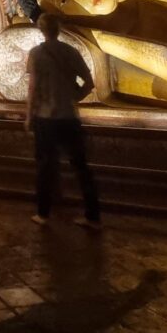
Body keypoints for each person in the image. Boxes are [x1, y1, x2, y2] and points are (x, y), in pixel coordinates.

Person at [25, 12, 100, 229]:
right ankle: (93, 216)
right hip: (69, 116)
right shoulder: (71, 51)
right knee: (81, 167)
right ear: (59, 29)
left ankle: (43, 213)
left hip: (46, 116)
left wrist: (29, 115)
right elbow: (89, 82)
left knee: (45, 167)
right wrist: (74, 97)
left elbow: (33, 88)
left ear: (41, 30)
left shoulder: (36, 54)